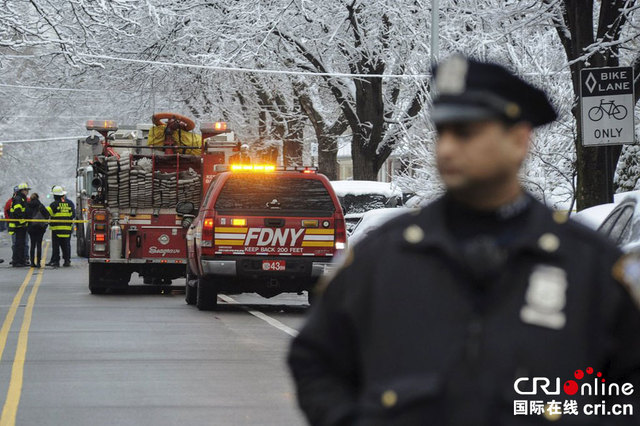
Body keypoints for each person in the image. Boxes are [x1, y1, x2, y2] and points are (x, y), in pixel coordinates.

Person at [288, 56, 640, 426]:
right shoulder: (383, 257)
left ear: (519, 140)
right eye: (443, 132)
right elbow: (315, 361)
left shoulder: (589, 264)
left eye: (466, 132)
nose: (448, 148)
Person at [46, 186, 74, 267]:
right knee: (66, 245)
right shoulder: (70, 203)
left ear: (55, 196)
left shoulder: (54, 204)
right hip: (67, 229)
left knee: (56, 246)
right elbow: (73, 214)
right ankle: (67, 261)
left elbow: (48, 213)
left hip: (56, 229)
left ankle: (56, 261)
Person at [5, 185, 29, 264]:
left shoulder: (21, 198)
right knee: (18, 244)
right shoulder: (18, 199)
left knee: (20, 244)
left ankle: (20, 260)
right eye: (26, 190)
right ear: (22, 190)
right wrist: (23, 222)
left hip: (19, 225)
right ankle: (18, 261)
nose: (27, 192)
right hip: (18, 226)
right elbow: (17, 212)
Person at [26, 193, 50, 268]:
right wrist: (45, 225)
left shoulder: (28, 205)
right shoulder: (41, 205)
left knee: (32, 245)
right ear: (38, 198)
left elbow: (25, 215)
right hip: (40, 228)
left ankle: (32, 262)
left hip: (31, 227)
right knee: (39, 245)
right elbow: (47, 215)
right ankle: (38, 262)